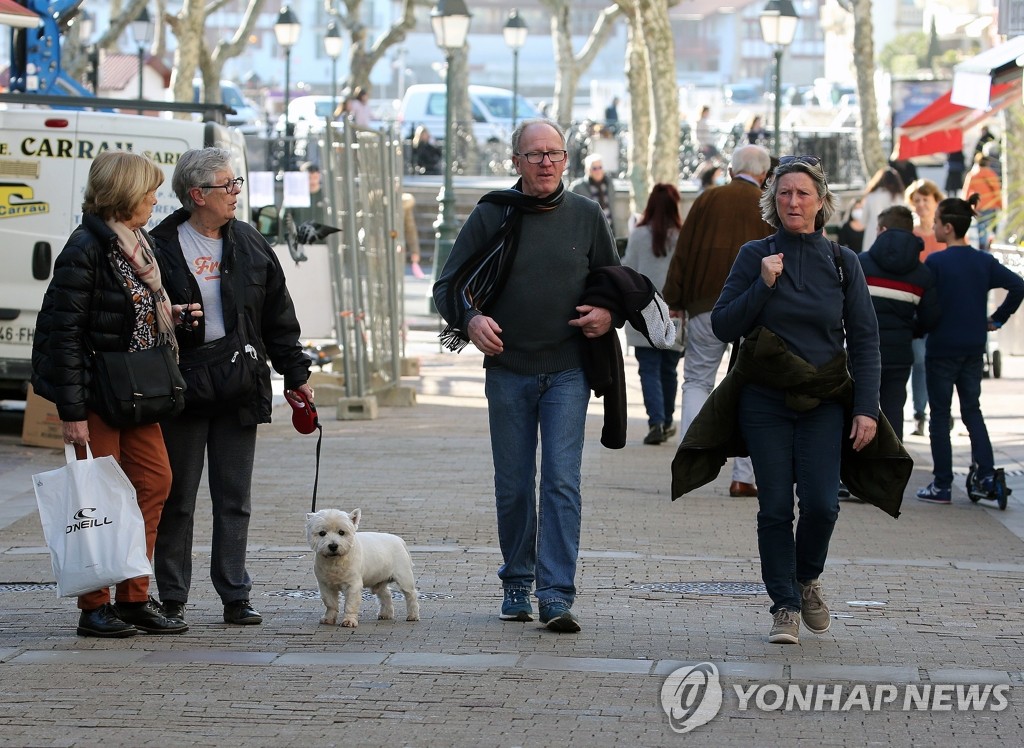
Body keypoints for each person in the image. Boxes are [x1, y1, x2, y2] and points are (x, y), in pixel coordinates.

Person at [432, 119, 619, 633]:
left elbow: (613, 282)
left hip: (567, 370)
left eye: (553, 154)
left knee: (561, 481)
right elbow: (446, 284)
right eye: (534, 154)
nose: (545, 163)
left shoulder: (585, 214)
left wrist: (606, 314)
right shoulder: (493, 212)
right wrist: (469, 320)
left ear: (566, 160)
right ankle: (517, 580)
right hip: (509, 370)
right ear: (515, 161)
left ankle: (556, 595)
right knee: (515, 485)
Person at [709, 154, 882, 644]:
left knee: (824, 505)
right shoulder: (754, 255)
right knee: (775, 508)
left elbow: (865, 339)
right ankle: (784, 606)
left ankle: (806, 579)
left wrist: (867, 408)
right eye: (784, 192)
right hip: (764, 401)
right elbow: (724, 324)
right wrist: (762, 285)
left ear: (821, 201)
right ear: (772, 200)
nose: (793, 201)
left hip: (824, 401)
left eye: (803, 193)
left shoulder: (843, 263)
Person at [31, 150, 193, 638]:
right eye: (148, 191)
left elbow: (136, 311)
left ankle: (133, 595)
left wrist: (171, 316)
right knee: (97, 499)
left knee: (155, 482)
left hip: (139, 391)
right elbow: (65, 334)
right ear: (123, 194)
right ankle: (94, 605)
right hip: (101, 394)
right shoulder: (86, 247)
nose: (154, 199)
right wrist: (72, 412)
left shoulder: (137, 242)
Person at [151, 148, 314, 627]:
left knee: (234, 497)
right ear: (197, 194)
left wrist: (296, 376)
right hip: (183, 388)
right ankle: (173, 596)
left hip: (240, 384)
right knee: (178, 497)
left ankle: (235, 594)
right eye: (228, 186)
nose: (236, 193)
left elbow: (278, 318)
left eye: (237, 183)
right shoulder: (160, 245)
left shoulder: (250, 242)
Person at [662, 144, 772, 498]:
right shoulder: (768, 205)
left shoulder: (708, 200)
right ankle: (744, 477)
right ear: (764, 175)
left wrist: (675, 300)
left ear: (730, 170)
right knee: (752, 389)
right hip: (755, 309)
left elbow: (684, 250)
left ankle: (691, 466)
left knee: (697, 380)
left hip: (706, 305)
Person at [916, 194, 1024, 504]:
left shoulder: (935, 262)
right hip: (974, 346)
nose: (934, 227)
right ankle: (986, 475)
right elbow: (1018, 285)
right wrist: (997, 320)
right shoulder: (984, 261)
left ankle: (942, 484)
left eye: (936, 222)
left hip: (941, 347)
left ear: (947, 228)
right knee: (972, 411)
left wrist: (920, 326)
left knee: (939, 415)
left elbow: (924, 302)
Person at [857, 205, 940, 442]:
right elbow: (931, 317)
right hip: (900, 355)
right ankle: (892, 473)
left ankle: (856, 475)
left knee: (857, 412)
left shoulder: (860, 265)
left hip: (861, 355)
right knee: (894, 413)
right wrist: (912, 330)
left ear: (882, 230)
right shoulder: (922, 274)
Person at [621, 183, 684, 445]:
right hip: (674, 310)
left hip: (643, 310)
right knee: (669, 369)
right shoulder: (683, 236)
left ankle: (656, 420)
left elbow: (628, 269)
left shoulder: (638, 235)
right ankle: (668, 420)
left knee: (648, 368)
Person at [905, 179, 946, 436]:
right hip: (916, 308)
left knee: (940, 361)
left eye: (925, 200)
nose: (921, 205)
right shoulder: (910, 235)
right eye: (916, 200)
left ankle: (941, 410)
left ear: (935, 202)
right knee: (919, 361)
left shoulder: (946, 233)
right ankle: (920, 413)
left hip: (942, 307)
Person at [570, 153, 617, 237]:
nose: (598, 171)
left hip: (609, 230)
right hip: (589, 233)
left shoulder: (609, 184)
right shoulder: (577, 187)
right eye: (594, 168)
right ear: (588, 170)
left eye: (600, 167)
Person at [961, 154, 1001, 250]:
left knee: (981, 227)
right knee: (991, 225)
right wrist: (1000, 204)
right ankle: (990, 243)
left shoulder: (972, 175)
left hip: (978, 205)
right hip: (990, 205)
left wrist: (964, 205)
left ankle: (982, 245)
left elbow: (966, 191)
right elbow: (996, 191)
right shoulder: (991, 174)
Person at [860, 166, 905, 251]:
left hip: (872, 237)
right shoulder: (900, 198)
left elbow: (863, 221)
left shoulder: (871, 196)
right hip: (895, 238)